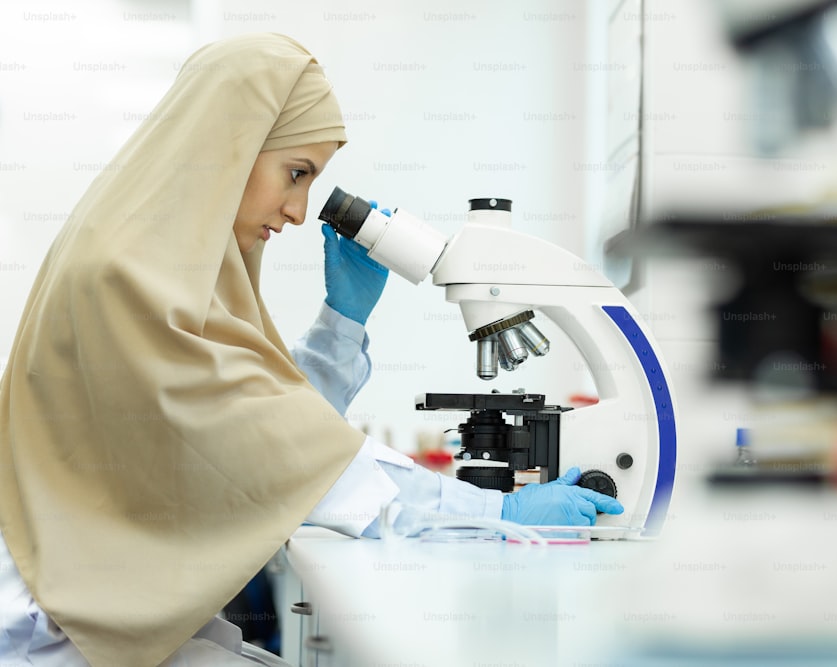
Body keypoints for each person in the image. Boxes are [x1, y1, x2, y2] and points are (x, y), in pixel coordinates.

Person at [0, 34, 622, 666]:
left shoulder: (153, 259)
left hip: (90, 603)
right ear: (226, 150)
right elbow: (273, 447)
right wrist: (497, 511)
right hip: (56, 629)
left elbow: (259, 429)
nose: (298, 211)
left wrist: (342, 321)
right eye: (295, 173)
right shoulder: (126, 275)